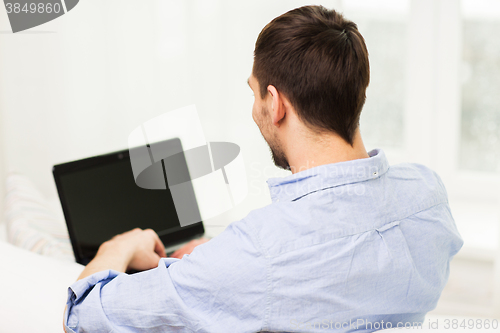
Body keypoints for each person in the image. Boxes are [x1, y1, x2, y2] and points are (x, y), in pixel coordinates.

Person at [64, 5, 463, 333]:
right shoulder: (428, 195)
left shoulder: (260, 251)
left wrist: (119, 247)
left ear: (276, 104)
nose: (256, 107)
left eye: (255, 93)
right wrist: (219, 263)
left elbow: (81, 317)